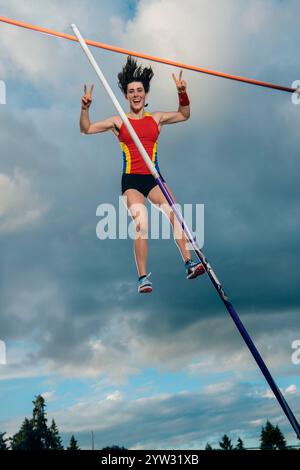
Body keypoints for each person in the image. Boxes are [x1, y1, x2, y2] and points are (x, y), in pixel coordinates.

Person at [80, 56, 205, 293]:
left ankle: (189, 263)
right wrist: (85, 108)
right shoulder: (119, 121)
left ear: (146, 94)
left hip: (154, 177)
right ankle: (142, 278)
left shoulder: (155, 118)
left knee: (175, 212)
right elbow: (86, 129)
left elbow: (184, 114)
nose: (136, 94)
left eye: (139, 90)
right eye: (131, 91)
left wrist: (182, 93)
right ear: (126, 97)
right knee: (142, 222)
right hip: (132, 181)